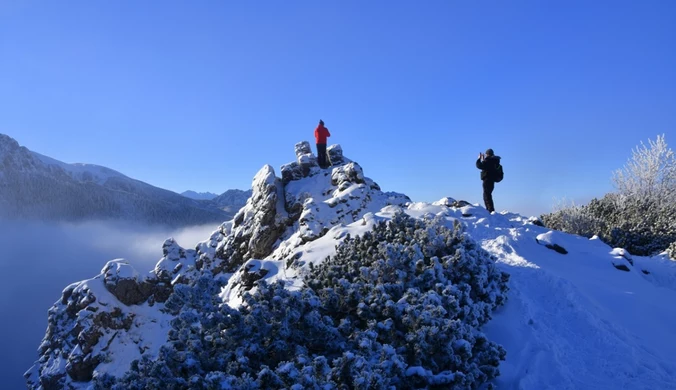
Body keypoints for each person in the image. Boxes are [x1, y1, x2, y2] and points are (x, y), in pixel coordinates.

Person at [476, 148, 501, 213]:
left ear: (487, 154)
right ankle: (490, 209)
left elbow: (479, 166)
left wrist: (479, 159)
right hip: (492, 180)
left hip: (487, 179)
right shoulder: (495, 161)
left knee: (486, 195)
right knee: (488, 194)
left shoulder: (488, 160)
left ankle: (490, 210)